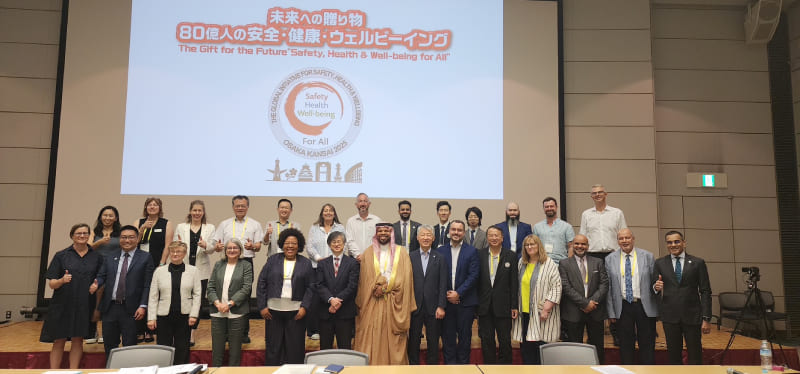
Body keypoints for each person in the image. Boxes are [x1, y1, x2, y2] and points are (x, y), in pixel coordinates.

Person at [40, 223, 102, 369]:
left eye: (85, 233)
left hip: (84, 305)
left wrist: (97, 284)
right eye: (78, 233)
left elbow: (101, 279)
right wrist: (62, 280)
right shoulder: (61, 255)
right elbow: (52, 283)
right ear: (72, 236)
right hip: (62, 305)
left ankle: (73, 371)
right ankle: (54, 371)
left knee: (78, 340)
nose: (82, 236)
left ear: (89, 236)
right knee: (59, 340)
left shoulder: (96, 257)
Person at [353, 223, 416, 364]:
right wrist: (375, 286)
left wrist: (386, 288)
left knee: (393, 338)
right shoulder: (368, 253)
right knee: (371, 335)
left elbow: (405, 277)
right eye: (380, 231)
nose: (383, 233)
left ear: (391, 233)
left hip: (394, 301)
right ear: (376, 234)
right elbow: (364, 279)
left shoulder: (402, 252)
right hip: (373, 302)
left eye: (386, 231)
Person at [94, 225, 155, 358]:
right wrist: (96, 282)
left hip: (132, 310)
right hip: (110, 308)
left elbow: (147, 284)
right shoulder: (111, 256)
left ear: (138, 239)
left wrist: (143, 305)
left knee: (130, 347)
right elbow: (101, 276)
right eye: (124, 237)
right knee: (110, 346)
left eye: (131, 237)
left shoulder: (145, 257)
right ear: (119, 239)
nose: (127, 240)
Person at [653, 230, 712, 365]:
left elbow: (705, 291)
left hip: (692, 316)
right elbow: (654, 288)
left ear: (684, 243)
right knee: (673, 356)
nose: (673, 245)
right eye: (669, 242)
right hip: (670, 317)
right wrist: (656, 287)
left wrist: (706, 318)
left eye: (676, 241)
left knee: (695, 354)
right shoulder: (660, 263)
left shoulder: (698, 263)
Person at [257, 228, 315, 365]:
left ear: (299, 245)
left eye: (294, 243)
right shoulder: (272, 260)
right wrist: (262, 306)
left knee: (295, 348)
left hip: (296, 312)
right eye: (287, 243)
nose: (290, 246)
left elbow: (311, 287)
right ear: (282, 244)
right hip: (273, 311)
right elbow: (261, 283)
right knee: (273, 348)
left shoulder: (306, 263)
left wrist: (305, 307)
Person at [212, 195, 263, 344]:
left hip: (245, 262)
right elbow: (216, 245)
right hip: (226, 261)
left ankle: (243, 333)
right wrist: (218, 247)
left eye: (243, 205)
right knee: (224, 294)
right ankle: (226, 332)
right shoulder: (224, 224)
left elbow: (259, 246)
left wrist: (252, 246)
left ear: (247, 207)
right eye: (237, 205)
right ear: (233, 207)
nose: (240, 208)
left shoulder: (255, 224)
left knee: (244, 298)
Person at [605, 228, 657, 364]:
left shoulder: (647, 256)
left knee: (647, 342)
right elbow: (609, 288)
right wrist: (611, 312)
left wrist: (657, 289)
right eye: (621, 238)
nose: (624, 241)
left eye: (627, 238)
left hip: (643, 305)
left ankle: (648, 371)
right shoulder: (610, 259)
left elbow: (654, 282)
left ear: (633, 239)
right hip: (622, 306)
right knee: (625, 344)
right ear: (617, 241)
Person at [147, 242, 202, 364]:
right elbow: (153, 296)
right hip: (163, 316)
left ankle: (182, 371)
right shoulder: (159, 271)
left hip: (185, 315)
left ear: (184, 253)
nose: (175, 254)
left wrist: (194, 315)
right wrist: (151, 318)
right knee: (163, 348)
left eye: (179, 252)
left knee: (182, 348)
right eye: (173, 251)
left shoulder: (194, 271)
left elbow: (197, 295)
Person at [511, 234, 561, 365]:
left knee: (540, 345)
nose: (529, 247)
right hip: (524, 312)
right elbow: (515, 285)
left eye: (533, 244)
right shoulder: (522, 263)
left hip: (541, 313)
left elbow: (556, 286)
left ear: (539, 246)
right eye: (527, 245)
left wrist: (546, 308)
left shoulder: (548, 263)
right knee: (526, 347)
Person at [558, 234, 609, 364]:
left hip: (595, 310)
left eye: (583, 244)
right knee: (574, 348)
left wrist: (592, 303)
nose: (580, 246)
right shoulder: (564, 263)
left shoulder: (598, 262)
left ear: (588, 246)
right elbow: (566, 286)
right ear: (572, 245)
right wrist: (585, 303)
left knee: (597, 347)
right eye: (577, 244)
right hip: (573, 312)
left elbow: (604, 284)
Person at [173, 200, 217, 346]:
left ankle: (192, 332)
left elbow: (212, 249)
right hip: (182, 268)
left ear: (203, 212)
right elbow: (174, 246)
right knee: (182, 300)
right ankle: (180, 331)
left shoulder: (209, 228)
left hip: (201, 270)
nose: (197, 213)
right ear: (190, 211)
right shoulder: (181, 227)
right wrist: (179, 246)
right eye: (195, 210)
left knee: (197, 302)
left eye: (200, 210)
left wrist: (206, 246)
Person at [437, 220, 479, 364]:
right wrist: (448, 295)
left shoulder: (472, 251)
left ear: (464, 232)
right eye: (453, 229)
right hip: (447, 303)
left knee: (464, 340)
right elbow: (438, 277)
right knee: (448, 340)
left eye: (459, 230)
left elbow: (474, 276)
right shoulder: (440, 251)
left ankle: (463, 370)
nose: (456, 232)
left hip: (465, 303)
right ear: (449, 232)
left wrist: (458, 293)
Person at [477, 225, 519, 364]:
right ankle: (489, 368)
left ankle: (505, 369)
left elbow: (514, 283)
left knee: (505, 340)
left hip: (504, 306)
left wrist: (514, 305)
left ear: (502, 238)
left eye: (497, 235)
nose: (494, 238)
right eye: (491, 235)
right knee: (487, 340)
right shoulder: (479, 255)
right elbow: (476, 282)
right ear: (487, 237)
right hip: (484, 306)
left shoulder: (511, 256)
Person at [207, 239, 253, 367]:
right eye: (229, 248)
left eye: (235, 248)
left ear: (240, 251)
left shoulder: (246, 265)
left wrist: (229, 304)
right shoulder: (218, 264)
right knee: (217, 350)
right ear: (225, 251)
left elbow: (246, 288)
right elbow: (210, 287)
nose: (232, 250)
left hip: (236, 312)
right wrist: (218, 304)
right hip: (217, 312)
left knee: (235, 351)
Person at [408, 225, 447, 365]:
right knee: (413, 341)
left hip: (434, 307)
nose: (425, 237)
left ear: (433, 238)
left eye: (428, 235)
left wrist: (441, 306)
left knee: (433, 340)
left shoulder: (440, 258)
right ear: (417, 238)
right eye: (423, 235)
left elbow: (443, 284)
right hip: (414, 306)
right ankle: (412, 368)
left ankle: (432, 369)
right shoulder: (410, 257)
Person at [314, 231, 359, 350]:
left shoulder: (353, 263)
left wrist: (338, 300)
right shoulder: (322, 263)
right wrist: (331, 300)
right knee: (325, 348)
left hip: (345, 312)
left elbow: (352, 285)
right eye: (333, 242)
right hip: (326, 311)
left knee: (345, 347)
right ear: (329, 245)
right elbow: (319, 285)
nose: (336, 244)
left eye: (339, 241)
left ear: (344, 244)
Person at [304, 203, 343, 341]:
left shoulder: (340, 227)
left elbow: (343, 244)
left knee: (332, 296)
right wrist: (319, 259)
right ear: (322, 213)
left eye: (330, 210)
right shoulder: (315, 228)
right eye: (325, 210)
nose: (328, 213)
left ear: (334, 213)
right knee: (315, 299)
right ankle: (313, 330)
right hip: (317, 266)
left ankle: (332, 329)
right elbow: (309, 246)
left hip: (335, 266)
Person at [87, 205, 122, 344]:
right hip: (96, 267)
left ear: (116, 218)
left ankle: (105, 331)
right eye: (105, 215)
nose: (107, 218)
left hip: (114, 267)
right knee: (94, 299)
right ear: (101, 217)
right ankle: (93, 331)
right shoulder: (93, 231)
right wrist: (101, 241)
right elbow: (88, 248)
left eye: (110, 215)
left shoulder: (120, 232)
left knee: (109, 299)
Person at [580, 184, 627, 260]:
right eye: (594, 193)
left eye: (600, 192)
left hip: (614, 255)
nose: (597, 195)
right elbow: (582, 237)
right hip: (592, 256)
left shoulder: (617, 213)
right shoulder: (586, 214)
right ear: (591, 196)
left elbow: (624, 235)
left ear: (606, 194)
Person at [134, 197, 174, 268]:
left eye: (155, 205)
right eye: (149, 205)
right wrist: (142, 228)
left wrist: (162, 263)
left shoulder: (167, 223)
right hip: (138, 261)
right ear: (146, 207)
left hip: (157, 262)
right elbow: (134, 242)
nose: (152, 207)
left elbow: (168, 245)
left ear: (160, 208)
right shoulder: (138, 222)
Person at [533, 197, 575, 264]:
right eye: (546, 207)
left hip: (561, 264)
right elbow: (534, 247)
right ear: (543, 209)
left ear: (556, 207)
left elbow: (571, 247)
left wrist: (568, 265)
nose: (549, 208)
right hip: (542, 264)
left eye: (551, 206)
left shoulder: (567, 227)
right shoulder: (537, 227)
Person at [345, 193, 381, 260]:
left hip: (372, 258)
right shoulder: (350, 221)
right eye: (360, 201)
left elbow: (378, 240)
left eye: (365, 201)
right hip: (354, 259)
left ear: (369, 204)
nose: (363, 204)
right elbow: (349, 241)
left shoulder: (377, 220)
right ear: (356, 205)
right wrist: (358, 255)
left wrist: (369, 255)